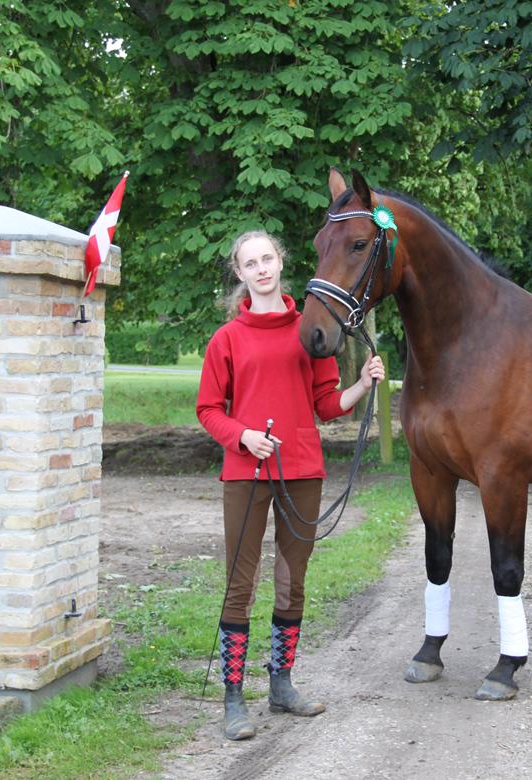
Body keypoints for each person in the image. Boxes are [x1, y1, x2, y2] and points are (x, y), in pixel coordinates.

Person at [196, 230, 384, 741]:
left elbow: (325, 405)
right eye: (250, 263)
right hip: (247, 472)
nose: (261, 269)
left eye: (267, 259)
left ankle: (282, 684)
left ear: (281, 263)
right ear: (240, 273)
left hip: (302, 470)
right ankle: (234, 700)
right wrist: (243, 436)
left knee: (291, 580)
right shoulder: (226, 339)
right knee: (241, 582)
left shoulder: (311, 330)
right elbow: (208, 410)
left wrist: (362, 385)